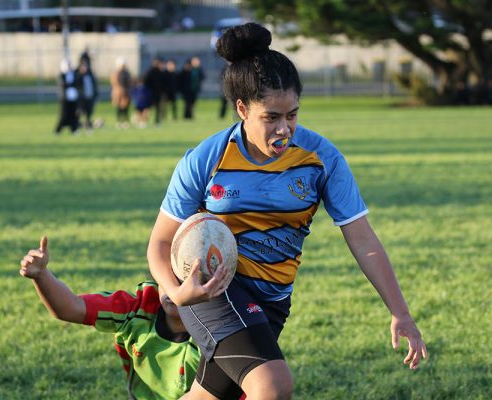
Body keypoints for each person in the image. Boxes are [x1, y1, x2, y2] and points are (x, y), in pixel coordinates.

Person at [147, 23, 427, 400]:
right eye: (271, 118)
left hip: (274, 299)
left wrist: (400, 311)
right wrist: (177, 294)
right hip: (213, 291)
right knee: (272, 385)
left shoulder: (321, 159)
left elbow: (362, 238)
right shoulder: (206, 159)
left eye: (292, 115)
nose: (284, 129)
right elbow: (161, 242)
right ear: (243, 109)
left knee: (210, 396)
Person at [19, 236, 200, 400]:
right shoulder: (136, 309)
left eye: (187, 279)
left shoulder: (216, 331)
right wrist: (42, 276)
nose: (177, 288)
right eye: (170, 276)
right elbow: (70, 308)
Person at [54, 59, 80, 135]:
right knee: (64, 115)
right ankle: (58, 130)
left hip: (73, 98)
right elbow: (63, 85)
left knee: (74, 114)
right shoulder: (62, 75)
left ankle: (74, 129)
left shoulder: (74, 74)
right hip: (65, 99)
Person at [76, 59, 99, 131]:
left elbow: (94, 86)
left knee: (89, 112)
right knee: (80, 112)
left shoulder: (90, 75)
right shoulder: (78, 75)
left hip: (90, 97)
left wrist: (95, 95)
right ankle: (77, 125)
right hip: (82, 98)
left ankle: (87, 124)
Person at [110, 57, 132, 129]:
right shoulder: (115, 73)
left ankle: (125, 121)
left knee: (126, 108)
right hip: (118, 93)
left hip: (126, 93)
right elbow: (114, 83)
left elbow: (129, 82)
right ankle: (118, 121)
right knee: (119, 108)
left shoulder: (127, 73)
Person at [145, 58, 166, 126]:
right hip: (151, 92)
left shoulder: (160, 72)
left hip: (157, 93)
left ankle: (156, 121)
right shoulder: (150, 72)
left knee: (157, 108)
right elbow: (147, 82)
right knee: (148, 107)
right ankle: (144, 120)